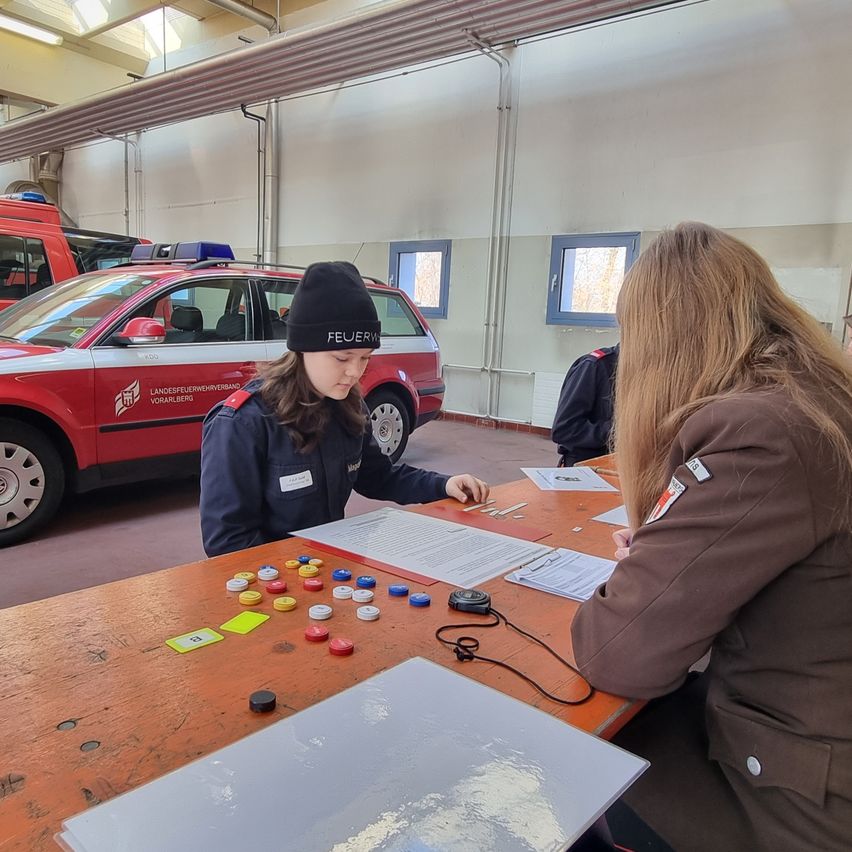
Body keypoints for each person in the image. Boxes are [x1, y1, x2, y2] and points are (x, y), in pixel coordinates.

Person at [570, 223, 852, 851]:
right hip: (814, 726)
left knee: (569, 743)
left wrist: (649, 561)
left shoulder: (760, 432)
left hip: (800, 795)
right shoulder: (818, 398)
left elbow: (615, 647)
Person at [200, 261, 488, 557]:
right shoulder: (242, 424)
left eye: (365, 358)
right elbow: (227, 542)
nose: (355, 372)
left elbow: (378, 476)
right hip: (276, 585)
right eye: (342, 358)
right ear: (303, 348)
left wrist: (443, 485)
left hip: (330, 572)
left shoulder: (348, 407)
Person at [551, 344, 618, 466]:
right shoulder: (595, 365)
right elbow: (564, 430)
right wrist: (619, 432)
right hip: (587, 471)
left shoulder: (652, 372)